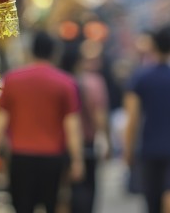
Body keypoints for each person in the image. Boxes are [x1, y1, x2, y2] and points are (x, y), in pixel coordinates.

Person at [0, 31, 85, 213]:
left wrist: (0, 152)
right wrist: (77, 160)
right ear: (54, 53)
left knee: (22, 207)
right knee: (51, 205)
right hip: (52, 158)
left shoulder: (12, 79)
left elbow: (1, 123)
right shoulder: (66, 83)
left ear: (31, 51)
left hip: (20, 157)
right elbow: (72, 127)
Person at [124, 25, 170, 213]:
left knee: (151, 199)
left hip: (149, 145)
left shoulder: (141, 78)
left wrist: (128, 149)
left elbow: (133, 117)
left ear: (153, 47)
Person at [60, 37, 111, 213]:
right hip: (87, 143)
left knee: (66, 191)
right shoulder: (94, 82)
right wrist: (105, 139)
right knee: (86, 189)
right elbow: (100, 115)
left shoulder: (63, 81)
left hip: (62, 144)